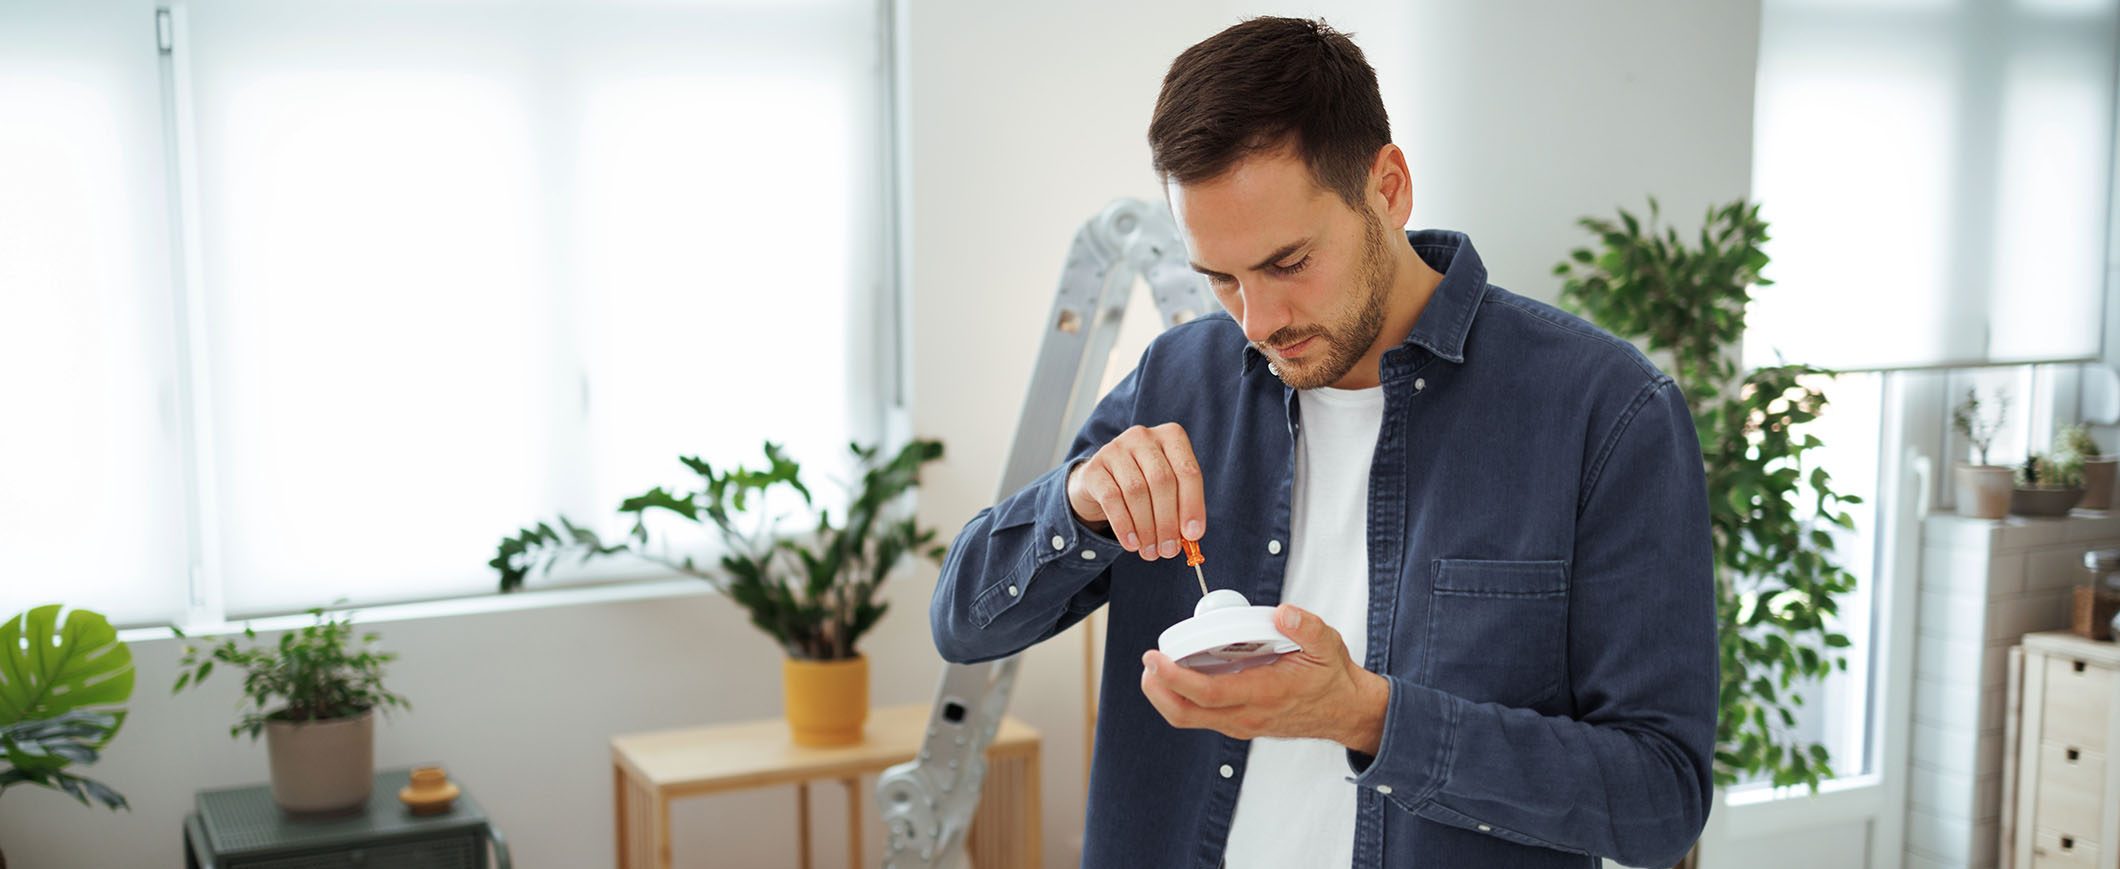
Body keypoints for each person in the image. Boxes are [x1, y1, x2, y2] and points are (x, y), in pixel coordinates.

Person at [930, 16, 1716, 869]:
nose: (1257, 321)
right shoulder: (1179, 380)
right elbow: (962, 625)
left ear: (1388, 187)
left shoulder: (1605, 411)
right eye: (1221, 278)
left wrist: (1364, 714)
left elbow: (1659, 800)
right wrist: (1078, 501)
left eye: (1288, 261)